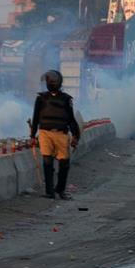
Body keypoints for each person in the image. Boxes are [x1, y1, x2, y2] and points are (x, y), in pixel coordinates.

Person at [30, 70, 80, 200]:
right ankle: (49, 191)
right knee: (47, 162)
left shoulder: (66, 99)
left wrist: (76, 135)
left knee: (64, 164)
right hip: (45, 133)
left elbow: (71, 119)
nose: (51, 83)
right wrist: (32, 135)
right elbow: (35, 118)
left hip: (61, 134)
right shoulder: (41, 98)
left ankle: (60, 189)